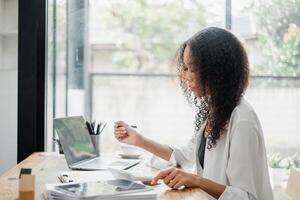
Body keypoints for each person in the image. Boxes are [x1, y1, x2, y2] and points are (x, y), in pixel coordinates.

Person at [114, 27, 273, 200]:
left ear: (217, 71)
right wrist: (138, 140)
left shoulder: (242, 120)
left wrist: (197, 180)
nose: (185, 77)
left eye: (192, 69)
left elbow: (245, 197)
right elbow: (182, 156)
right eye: (185, 68)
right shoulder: (217, 111)